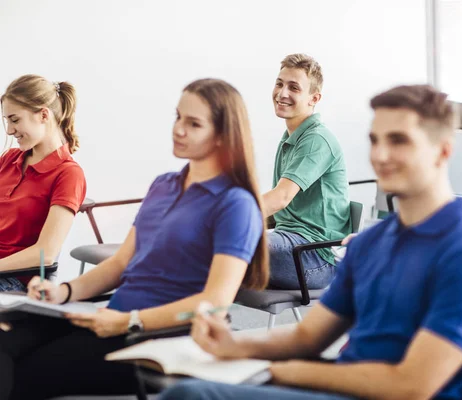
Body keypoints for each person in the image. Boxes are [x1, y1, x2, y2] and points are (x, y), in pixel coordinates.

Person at [160, 84, 462, 400]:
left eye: (399, 141)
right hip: (343, 386)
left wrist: (287, 373)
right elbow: (307, 339)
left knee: (192, 395)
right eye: (375, 140)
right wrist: (234, 345)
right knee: (184, 390)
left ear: (442, 151)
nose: (380, 155)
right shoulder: (371, 242)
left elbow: (411, 387)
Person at [0, 78, 269, 400]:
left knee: (22, 373)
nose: (179, 129)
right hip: (110, 317)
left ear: (224, 135)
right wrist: (64, 291)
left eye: (193, 123)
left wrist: (131, 320)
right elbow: (120, 263)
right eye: (178, 117)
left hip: (156, 335)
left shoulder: (236, 204)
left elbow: (216, 303)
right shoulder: (164, 185)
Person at [263, 53, 350, 290]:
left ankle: (185, 319)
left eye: (294, 87)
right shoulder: (291, 138)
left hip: (313, 257)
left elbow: (280, 198)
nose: (282, 93)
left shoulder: (316, 140)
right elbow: (279, 210)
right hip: (290, 243)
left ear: (314, 98)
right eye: (279, 83)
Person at [0, 74, 86, 290]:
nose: (9, 130)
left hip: (16, 281)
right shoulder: (9, 159)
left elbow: (46, 253)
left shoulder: (68, 174)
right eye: (7, 121)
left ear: (43, 115)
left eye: (15, 119)